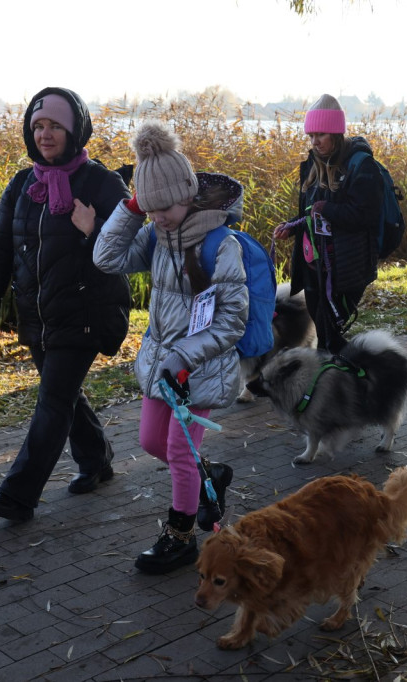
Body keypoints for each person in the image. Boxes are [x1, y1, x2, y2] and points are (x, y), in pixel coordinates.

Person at [0, 87, 131, 522]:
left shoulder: (102, 182)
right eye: (38, 126)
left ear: (74, 129)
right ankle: (97, 459)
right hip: (38, 315)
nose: (45, 134)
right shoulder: (24, 184)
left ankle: (18, 495)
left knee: (53, 401)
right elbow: (0, 245)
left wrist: (94, 228)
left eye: (55, 126)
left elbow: (132, 249)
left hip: (86, 312)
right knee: (64, 396)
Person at [93, 121, 246, 574]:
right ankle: (208, 477)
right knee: (149, 441)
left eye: (166, 205)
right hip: (162, 367)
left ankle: (180, 538)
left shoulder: (222, 246)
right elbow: (106, 259)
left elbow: (232, 319)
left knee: (179, 452)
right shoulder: (156, 235)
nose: (159, 216)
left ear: (190, 193)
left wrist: (185, 355)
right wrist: (132, 207)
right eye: (151, 206)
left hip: (198, 370)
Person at [274, 94, 383, 353]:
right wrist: (292, 226)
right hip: (313, 265)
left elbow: (365, 216)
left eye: (320, 135)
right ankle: (340, 376)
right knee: (325, 332)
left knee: (329, 333)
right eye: (310, 136)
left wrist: (329, 209)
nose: (314, 142)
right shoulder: (312, 165)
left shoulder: (362, 166)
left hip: (345, 267)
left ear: (335, 133)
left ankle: (349, 375)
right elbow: (308, 212)